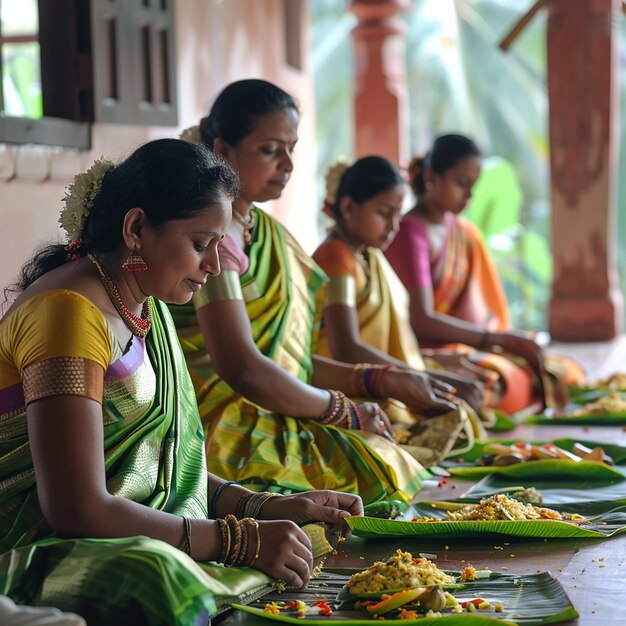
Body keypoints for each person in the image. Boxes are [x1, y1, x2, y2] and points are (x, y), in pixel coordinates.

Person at [0, 139, 363, 626]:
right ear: (135, 228)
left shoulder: (145, 304)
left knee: (302, 535)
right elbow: (76, 507)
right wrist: (238, 539)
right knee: (159, 578)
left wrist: (265, 506)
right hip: (34, 548)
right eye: (200, 245)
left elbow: (167, 466)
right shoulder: (68, 314)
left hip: (110, 532)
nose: (213, 267)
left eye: (218, 247)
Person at [174, 79, 459, 504]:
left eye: (292, 148)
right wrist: (343, 407)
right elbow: (244, 368)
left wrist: (381, 380)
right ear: (224, 151)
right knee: (372, 463)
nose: (287, 164)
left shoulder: (265, 233)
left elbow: (292, 360)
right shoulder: (215, 240)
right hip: (222, 419)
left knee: (386, 452)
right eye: (271, 150)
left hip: (274, 398)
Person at [312, 156, 488, 463]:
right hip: (347, 389)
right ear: (350, 208)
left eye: (397, 214)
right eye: (383, 213)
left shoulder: (367, 255)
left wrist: (431, 364)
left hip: (384, 382)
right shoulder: (337, 258)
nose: (393, 227)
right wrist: (415, 377)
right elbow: (345, 347)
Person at [384, 134, 555, 414]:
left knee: (546, 368)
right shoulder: (411, 231)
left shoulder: (463, 232)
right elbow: (421, 319)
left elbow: (482, 310)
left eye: (473, 186)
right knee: (492, 385)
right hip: (419, 354)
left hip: (464, 348)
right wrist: (493, 340)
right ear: (431, 176)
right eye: (462, 183)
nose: (469, 195)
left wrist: (504, 340)